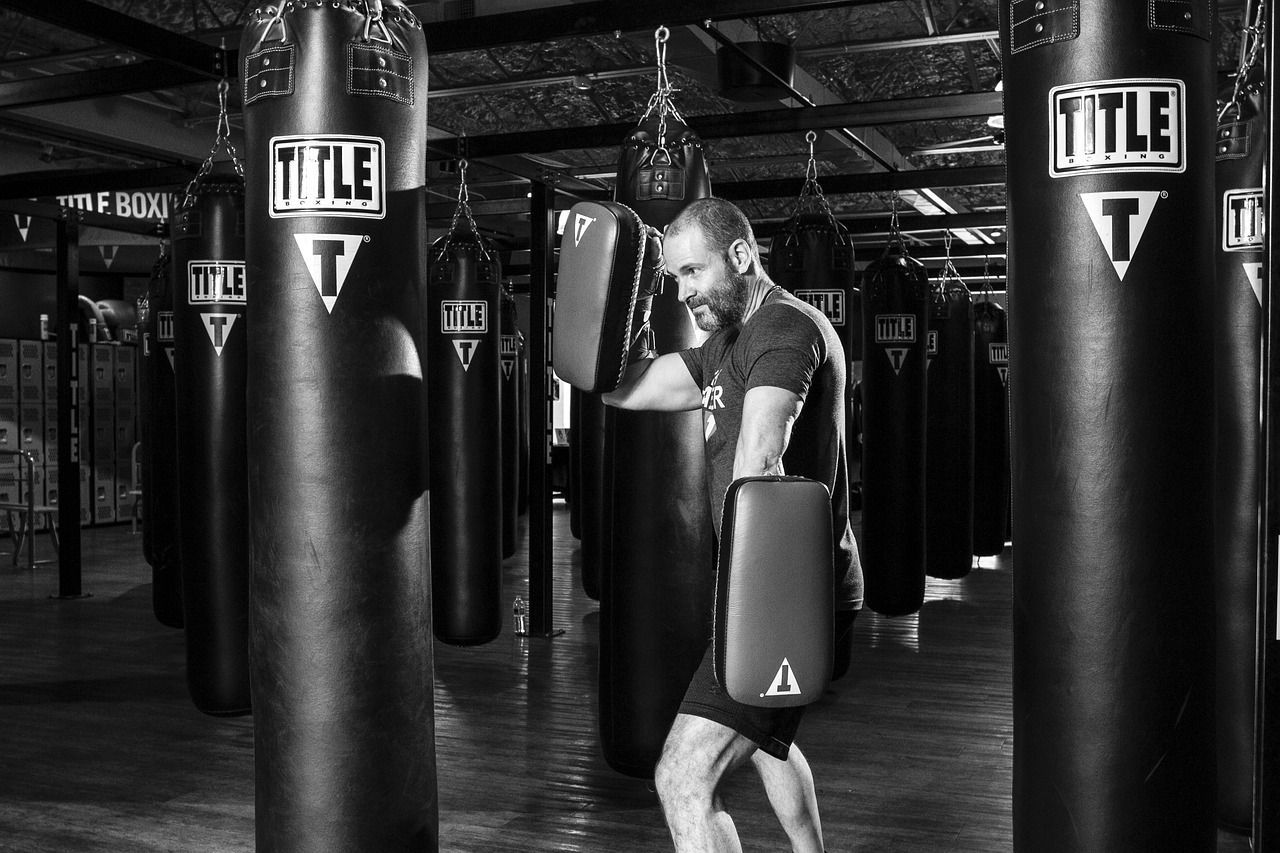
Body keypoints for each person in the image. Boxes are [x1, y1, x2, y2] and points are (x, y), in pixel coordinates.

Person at [602, 197, 863, 853]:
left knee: (684, 775)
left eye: (692, 273)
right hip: (769, 583)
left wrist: (743, 604)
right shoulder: (724, 345)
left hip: (785, 593)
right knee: (767, 740)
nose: (683, 292)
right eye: (673, 280)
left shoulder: (784, 328)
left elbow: (762, 452)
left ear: (742, 256)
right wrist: (611, 331)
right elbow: (630, 390)